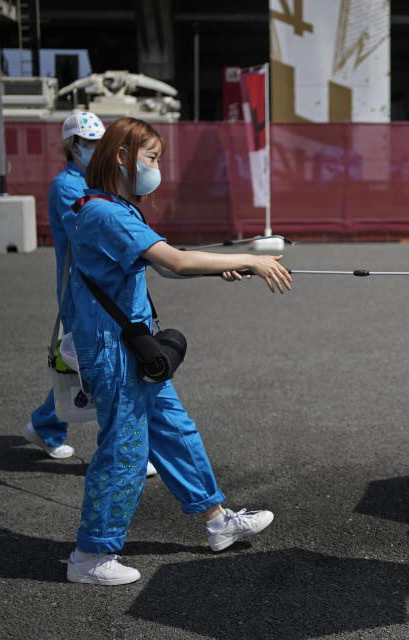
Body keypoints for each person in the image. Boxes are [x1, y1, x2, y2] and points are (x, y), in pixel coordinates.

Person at [64, 117, 293, 586]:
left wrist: (225, 267)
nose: (156, 168)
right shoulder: (104, 213)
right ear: (123, 158)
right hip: (113, 349)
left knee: (173, 430)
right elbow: (176, 260)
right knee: (124, 450)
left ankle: (217, 521)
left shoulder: (119, 208)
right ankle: (90, 556)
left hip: (130, 344)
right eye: (151, 158)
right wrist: (249, 258)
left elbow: (169, 268)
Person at [20, 112, 105, 460]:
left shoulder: (96, 181)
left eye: (100, 142)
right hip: (80, 291)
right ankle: (116, 448)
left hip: (98, 289)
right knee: (96, 366)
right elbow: (89, 233)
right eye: (89, 143)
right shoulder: (66, 185)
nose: (96, 149)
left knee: (88, 366)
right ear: (72, 147)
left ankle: (46, 424)